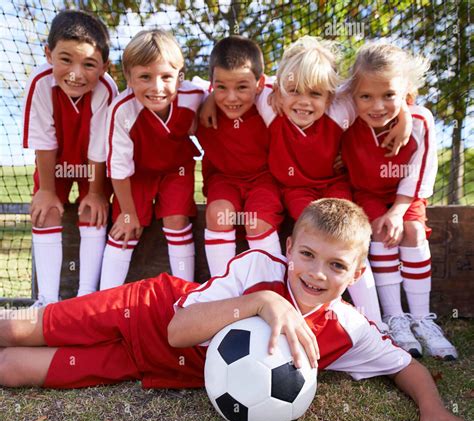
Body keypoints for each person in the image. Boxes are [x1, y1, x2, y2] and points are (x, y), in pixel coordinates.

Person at [0, 199, 471, 421]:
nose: (315, 272)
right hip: (145, 310)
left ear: (358, 273)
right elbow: (177, 330)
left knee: (14, 370)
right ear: (288, 249)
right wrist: (262, 304)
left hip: (153, 367)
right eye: (306, 254)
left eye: (336, 265)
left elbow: (402, 366)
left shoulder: (348, 328)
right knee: (17, 328)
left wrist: (434, 409)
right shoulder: (257, 269)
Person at [200, 36, 412, 332]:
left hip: (334, 187)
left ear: (329, 96)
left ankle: (374, 324)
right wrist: (211, 97)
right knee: (315, 232)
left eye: (314, 93)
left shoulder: (340, 109)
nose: (303, 101)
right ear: (280, 91)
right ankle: (260, 304)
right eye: (294, 91)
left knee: (348, 238)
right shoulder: (270, 104)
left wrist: (405, 115)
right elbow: (235, 86)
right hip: (296, 190)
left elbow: (376, 95)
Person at [341, 42, 457, 360]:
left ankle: (421, 319)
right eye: (367, 96)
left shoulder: (420, 121)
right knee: (380, 230)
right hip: (366, 194)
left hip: (405, 195)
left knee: (413, 233)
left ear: (405, 91)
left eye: (388, 95)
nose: (377, 106)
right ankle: (395, 319)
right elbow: (320, 89)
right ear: (354, 93)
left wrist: (399, 210)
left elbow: (420, 174)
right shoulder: (348, 111)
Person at [22, 10, 118, 306]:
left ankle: (87, 297)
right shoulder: (40, 83)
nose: (76, 74)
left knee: (93, 210)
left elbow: (101, 147)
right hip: (56, 162)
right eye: (66, 59)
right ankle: (47, 301)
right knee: (45, 210)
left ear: (104, 67)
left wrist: (97, 192)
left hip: (94, 165)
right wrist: (48, 191)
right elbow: (44, 140)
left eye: (89, 64)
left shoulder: (106, 89)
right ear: (49, 54)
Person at [99, 30, 204, 289]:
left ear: (180, 77)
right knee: (126, 228)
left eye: (166, 77)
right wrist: (127, 212)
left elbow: (211, 90)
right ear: (129, 77)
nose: (157, 87)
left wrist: (210, 105)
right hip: (136, 174)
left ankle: (185, 295)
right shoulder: (122, 110)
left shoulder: (195, 96)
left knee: (176, 220)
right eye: (145, 77)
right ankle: (104, 298)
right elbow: (119, 169)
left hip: (176, 170)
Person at [194, 36, 284, 277]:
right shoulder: (202, 103)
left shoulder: (270, 100)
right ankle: (222, 290)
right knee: (217, 214)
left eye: (242, 87)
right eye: (221, 87)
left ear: (259, 83)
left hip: (265, 179)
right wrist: (210, 97)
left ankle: (273, 287)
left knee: (256, 221)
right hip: (224, 179)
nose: (231, 97)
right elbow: (193, 85)